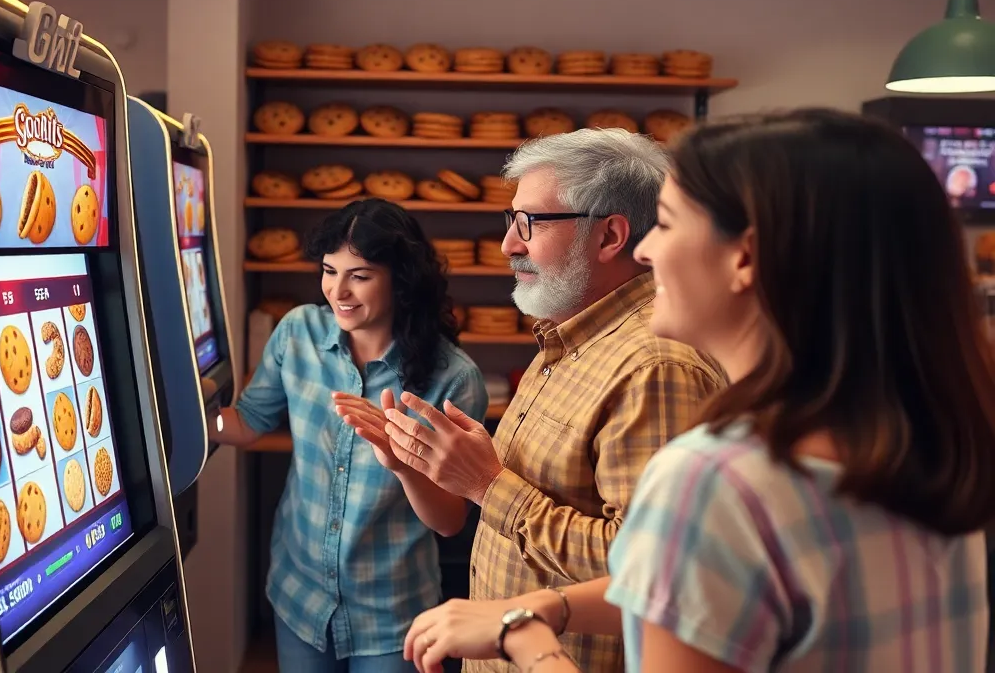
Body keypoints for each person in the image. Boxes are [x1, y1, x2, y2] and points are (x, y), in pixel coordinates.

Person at [400, 108, 995, 672]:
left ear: (745, 257)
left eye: (668, 223)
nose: (649, 250)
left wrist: (521, 634)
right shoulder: (935, 446)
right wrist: (549, 606)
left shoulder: (716, 477)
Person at [340, 128, 724, 672]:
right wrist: (437, 466)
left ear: (610, 236)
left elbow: (650, 570)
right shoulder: (567, 334)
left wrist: (487, 484)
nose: (509, 244)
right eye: (510, 221)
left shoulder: (656, 368)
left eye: (531, 223)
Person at [211, 198, 489, 672]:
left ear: (400, 283)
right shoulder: (297, 332)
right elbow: (248, 423)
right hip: (300, 597)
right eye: (328, 270)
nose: (338, 290)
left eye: (359, 275)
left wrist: (401, 464)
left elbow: (448, 521)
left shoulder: (453, 379)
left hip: (394, 614)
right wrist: (185, 411)